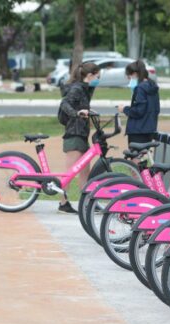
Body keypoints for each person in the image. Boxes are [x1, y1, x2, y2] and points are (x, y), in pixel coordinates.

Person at [57, 62, 101, 214]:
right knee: (69, 173)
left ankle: (87, 203)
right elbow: (65, 104)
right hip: (74, 135)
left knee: (85, 173)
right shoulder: (77, 88)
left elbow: (79, 105)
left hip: (82, 134)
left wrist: (87, 110)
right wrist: (77, 113)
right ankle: (63, 203)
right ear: (89, 75)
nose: (98, 79)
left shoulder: (84, 89)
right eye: (97, 76)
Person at [118, 60, 160, 150]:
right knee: (143, 158)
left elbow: (138, 111)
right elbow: (157, 109)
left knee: (135, 160)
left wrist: (124, 109)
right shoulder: (152, 85)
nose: (129, 80)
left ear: (135, 74)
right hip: (149, 129)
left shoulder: (140, 88)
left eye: (129, 77)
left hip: (137, 130)